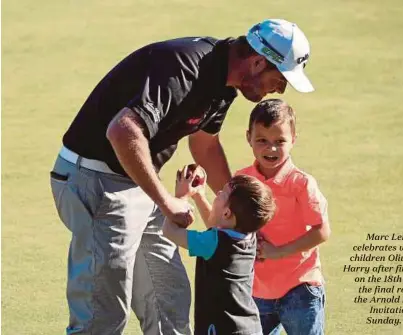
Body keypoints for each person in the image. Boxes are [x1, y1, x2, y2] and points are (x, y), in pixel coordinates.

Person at [49, 18, 314, 334]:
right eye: (280, 78)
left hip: (139, 182)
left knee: (169, 300)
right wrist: (165, 201)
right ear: (257, 62)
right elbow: (122, 130)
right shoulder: (184, 68)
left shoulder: (226, 83)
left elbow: (204, 143)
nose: (281, 89)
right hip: (97, 181)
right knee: (103, 316)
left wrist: (243, 210)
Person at [236, 99, 330, 335]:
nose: (271, 149)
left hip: (300, 287)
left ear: (294, 140)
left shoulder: (301, 183)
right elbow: (227, 223)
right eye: (262, 141)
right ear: (248, 138)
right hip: (255, 291)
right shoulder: (242, 180)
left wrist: (278, 252)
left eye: (280, 141)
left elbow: (322, 231)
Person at [163, 166, 276, 335]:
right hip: (248, 327)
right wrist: (199, 195)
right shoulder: (248, 236)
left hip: (222, 328)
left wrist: (181, 197)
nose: (217, 195)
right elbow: (217, 225)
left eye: (221, 194)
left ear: (227, 213)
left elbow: (169, 232)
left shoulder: (213, 242)